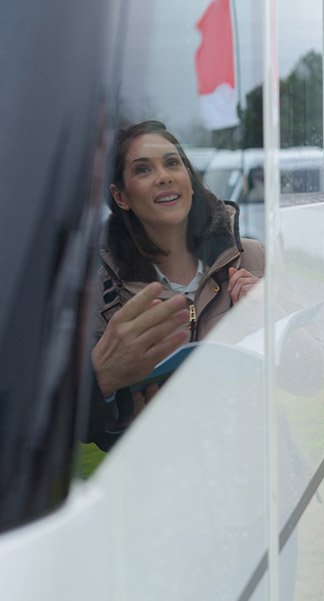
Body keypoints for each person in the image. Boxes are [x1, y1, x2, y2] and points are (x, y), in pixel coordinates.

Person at [87, 120, 264, 450]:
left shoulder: (251, 257)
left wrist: (275, 317)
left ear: (190, 180)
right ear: (120, 196)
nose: (164, 176)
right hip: (156, 485)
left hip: (258, 477)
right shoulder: (97, 291)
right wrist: (102, 381)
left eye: (172, 163)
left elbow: (309, 379)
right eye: (143, 169)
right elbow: (76, 427)